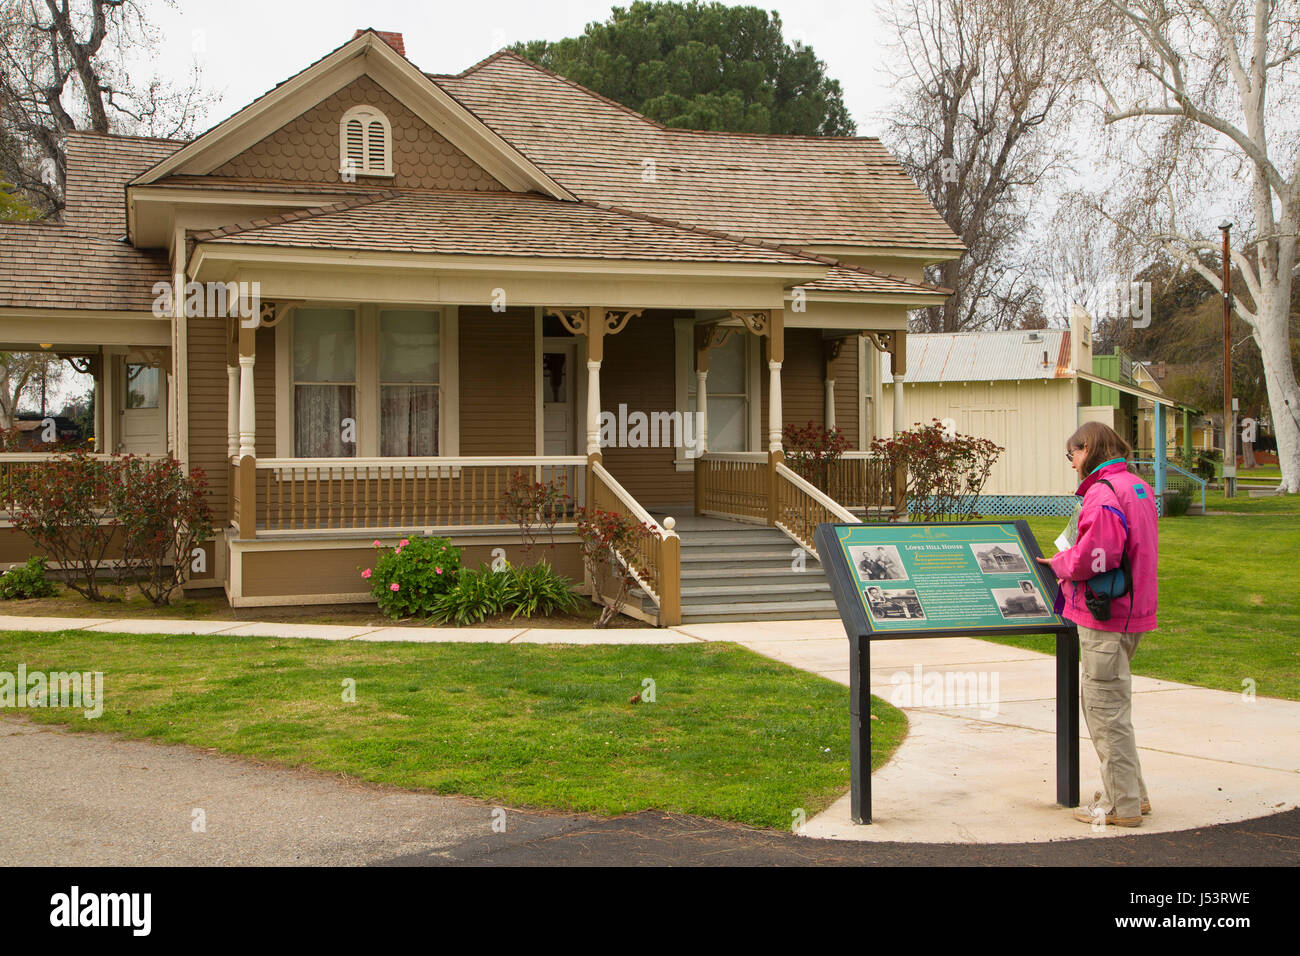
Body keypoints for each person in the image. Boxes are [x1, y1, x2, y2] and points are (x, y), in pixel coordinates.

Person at [1035, 421, 1158, 828]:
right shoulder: (1136, 487)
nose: (1072, 464)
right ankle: (1133, 796)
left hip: (1106, 618)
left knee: (1105, 714)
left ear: (1087, 448)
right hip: (1131, 614)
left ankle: (1121, 808)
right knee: (1115, 710)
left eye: (1072, 454)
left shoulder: (1103, 495)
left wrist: (1059, 565)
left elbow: (1096, 557)